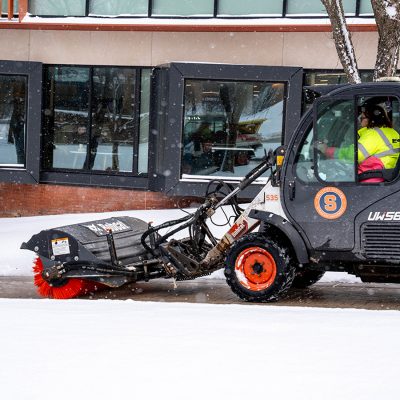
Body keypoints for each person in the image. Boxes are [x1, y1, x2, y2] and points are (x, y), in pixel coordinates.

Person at [319, 103, 400, 182]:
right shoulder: (393, 132)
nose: (360, 120)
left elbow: (354, 155)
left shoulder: (373, 134)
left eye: (362, 118)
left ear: (371, 119)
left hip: (373, 177)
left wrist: (328, 151)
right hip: (389, 175)